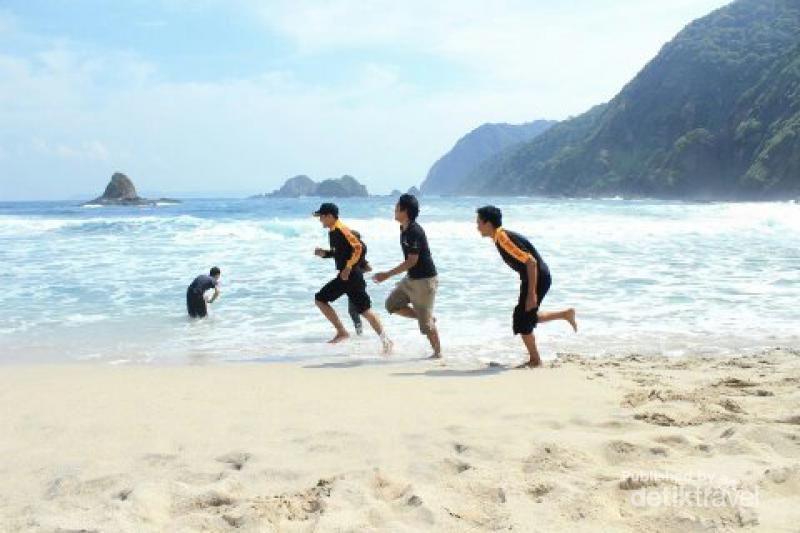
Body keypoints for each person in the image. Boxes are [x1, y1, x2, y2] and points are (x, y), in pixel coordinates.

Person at [476, 206, 577, 368]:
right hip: (535, 277)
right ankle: (565, 314)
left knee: (522, 320)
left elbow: (531, 262)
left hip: (537, 278)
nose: (477, 226)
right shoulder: (500, 237)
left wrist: (531, 293)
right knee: (525, 317)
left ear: (488, 224)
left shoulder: (503, 238)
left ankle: (535, 360)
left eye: (479, 222)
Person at [313, 203, 392, 353]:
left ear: (329, 216)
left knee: (320, 299)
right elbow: (341, 252)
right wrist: (325, 253)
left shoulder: (341, 229)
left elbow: (358, 247)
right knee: (365, 311)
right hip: (350, 276)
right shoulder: (333, 231)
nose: (320, 220)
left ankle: (342, 332)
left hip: (349, 275)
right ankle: (386, 341)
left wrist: (349, 266)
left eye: (321, 217)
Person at [373, 194, 442, 358]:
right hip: (411, 278)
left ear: (405, 211)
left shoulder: (414, 231)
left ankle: (438, 354)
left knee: (426, 326)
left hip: (424, 280)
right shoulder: (403, 228)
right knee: (391, 305)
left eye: (397, 207)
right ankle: (425, 316)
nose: (394, 210)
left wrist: (387, 275)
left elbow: (412, 261)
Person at [318, 228, 372, 335]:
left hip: (354, 283)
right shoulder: (346, 252)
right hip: (349, 283)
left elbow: (369, 268)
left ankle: (359, 333)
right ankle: (359, 332)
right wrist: (324, 254)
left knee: (357, 310)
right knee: (356, 311)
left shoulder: (358, 255)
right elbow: (335, 253)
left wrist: (354, 272)